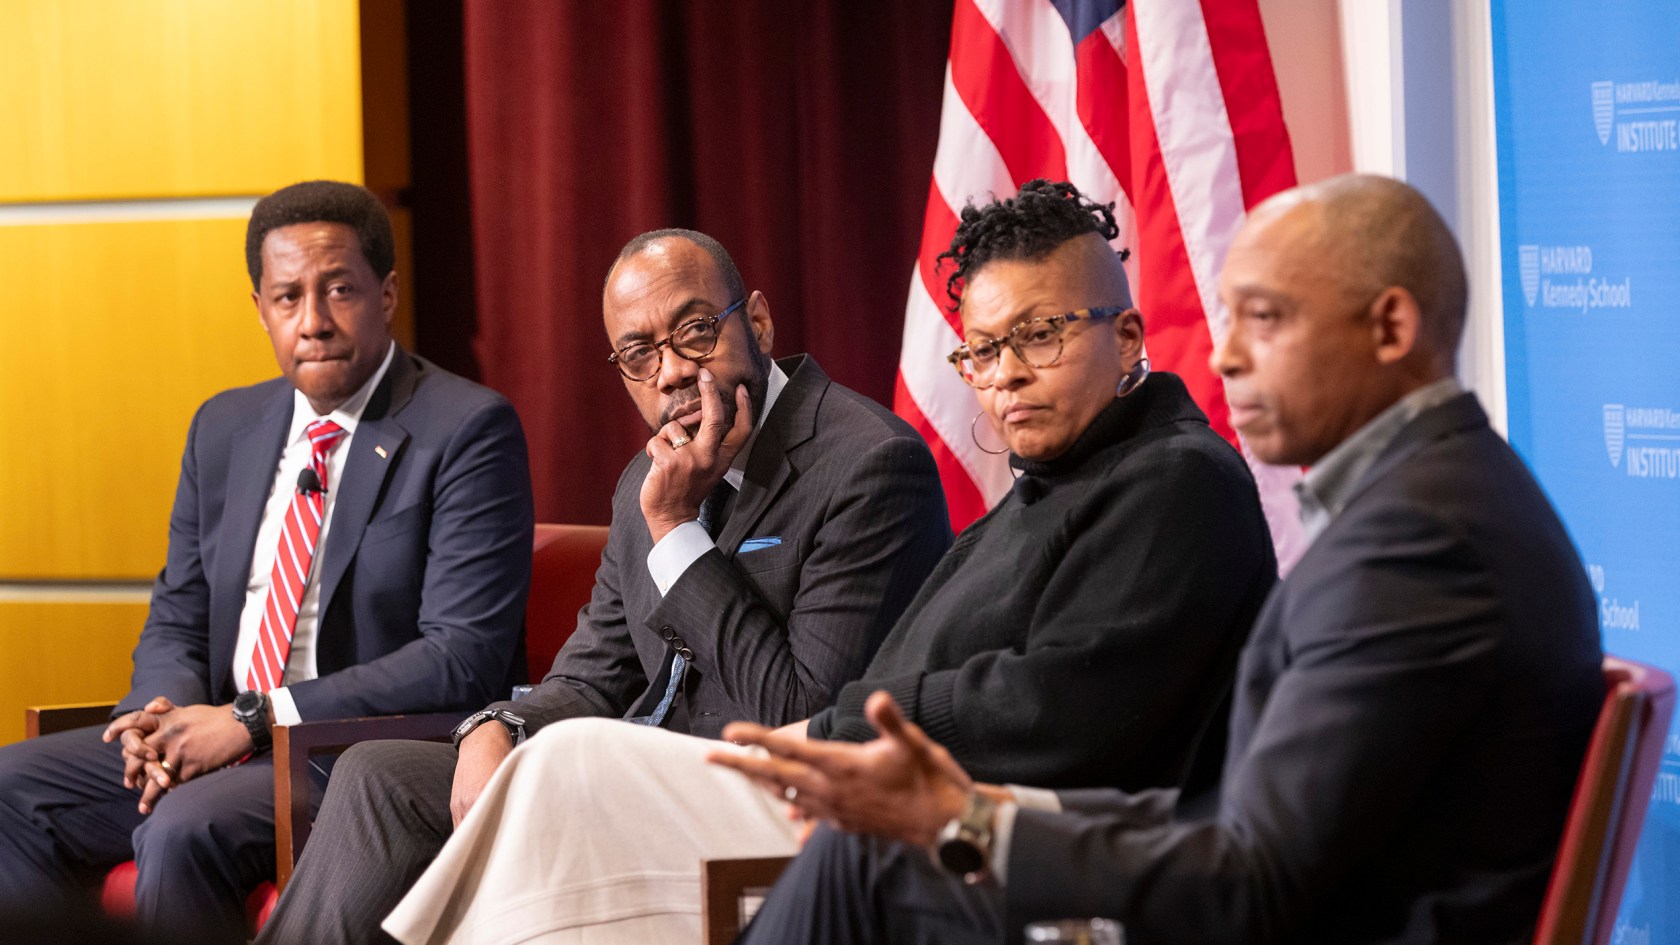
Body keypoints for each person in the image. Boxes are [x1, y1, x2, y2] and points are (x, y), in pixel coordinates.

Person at [372, 180, 1278, 945]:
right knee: (470, 769)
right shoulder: (1050, 485)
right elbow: (600, 668)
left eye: (1040, 335)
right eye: (984, 349)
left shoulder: (1175, 480)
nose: (1005, 374)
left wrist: (829, 743)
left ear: (1125, 338)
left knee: (564, 768)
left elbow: (1060, 705)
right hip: (846, 786)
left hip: (975, 827)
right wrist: (503, 718)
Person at [718, 173, 1606, 945]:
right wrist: (966, 818)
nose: (1224, 354)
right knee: (871, 853)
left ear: (1391, 325)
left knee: (864, 868)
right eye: (984, 350)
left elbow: (1251, 883)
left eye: (1266, 318)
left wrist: (967, 821)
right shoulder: (1428, 500)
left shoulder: (1422, 540)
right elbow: (1233, 818)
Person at [252, 228, 954, 945]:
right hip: (628, 779)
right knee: (379, 776)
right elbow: (591, 677)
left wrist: (678, 531)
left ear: (760, 321)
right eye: (641, 355)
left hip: (759, 801)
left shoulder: (870, 466)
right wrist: (498, 725)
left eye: (695, 332)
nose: (673, 372)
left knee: (551, 782)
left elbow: (798, 710)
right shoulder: (644, 482)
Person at [0, 180, 536, 939]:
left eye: (339, 291)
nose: (312, 323)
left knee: (183, 828)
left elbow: (461, 657)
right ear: (259, 308)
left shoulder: (466, 428)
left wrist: (253, 719)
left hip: (345, 751)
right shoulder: (224, 426)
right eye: (287, 298)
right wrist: (153, 717)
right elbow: (179, 610)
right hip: (219, 733)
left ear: (386, 294)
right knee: (7, 787)